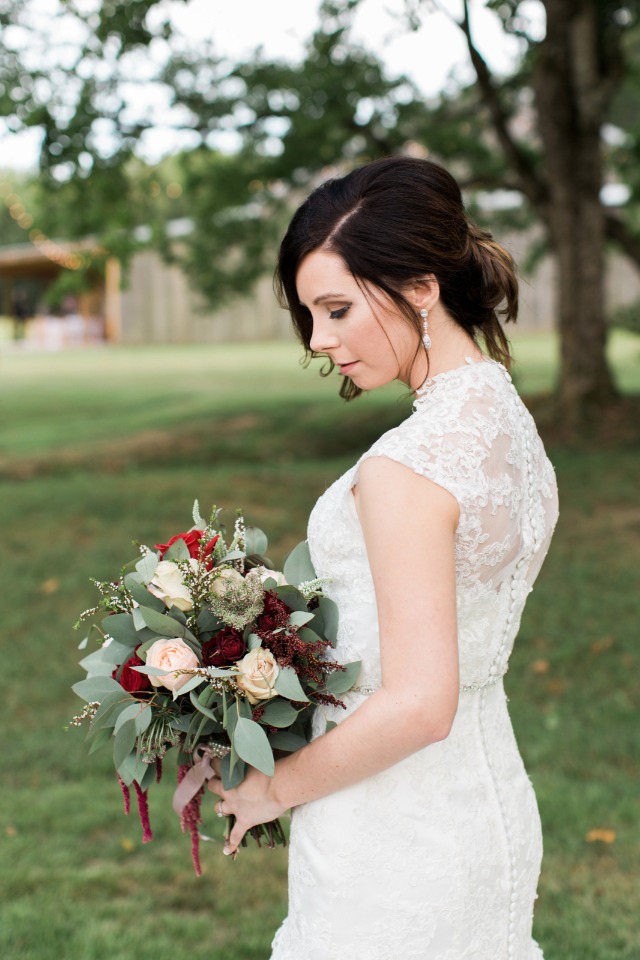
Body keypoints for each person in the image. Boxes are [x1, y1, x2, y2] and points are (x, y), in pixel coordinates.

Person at [207, 156, 559, 959]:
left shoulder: (407, 467)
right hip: (485, 802)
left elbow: (418, 703)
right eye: (311, 316)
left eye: (336, 310)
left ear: (422, 287)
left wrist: (270, 789)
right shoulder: (510, 428)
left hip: (390, 833)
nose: (322, 342)